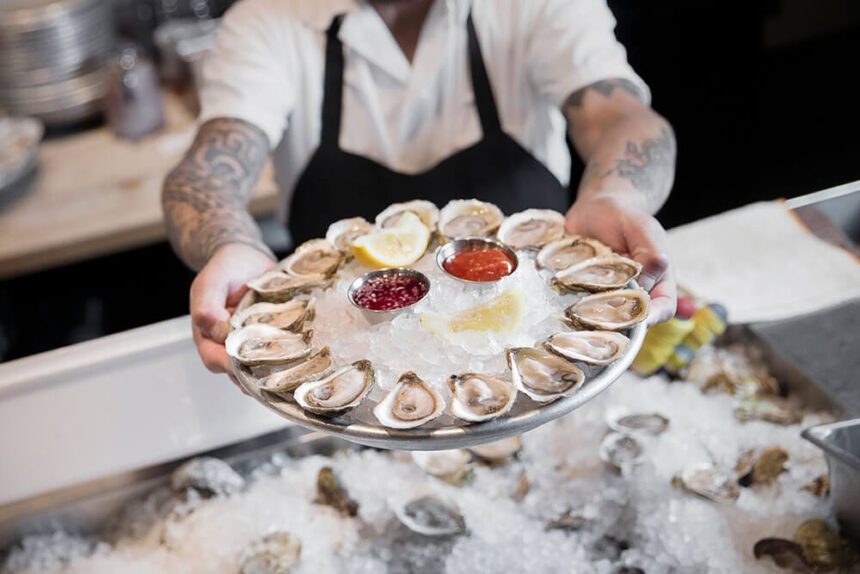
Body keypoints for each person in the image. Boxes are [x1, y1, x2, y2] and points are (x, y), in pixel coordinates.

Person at [162, 0, 678, 381]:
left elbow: (622, 118)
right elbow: (207, 172)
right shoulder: (265, 21)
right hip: (352, 387)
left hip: (544, 367)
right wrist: (230, 244)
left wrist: (616, 197)